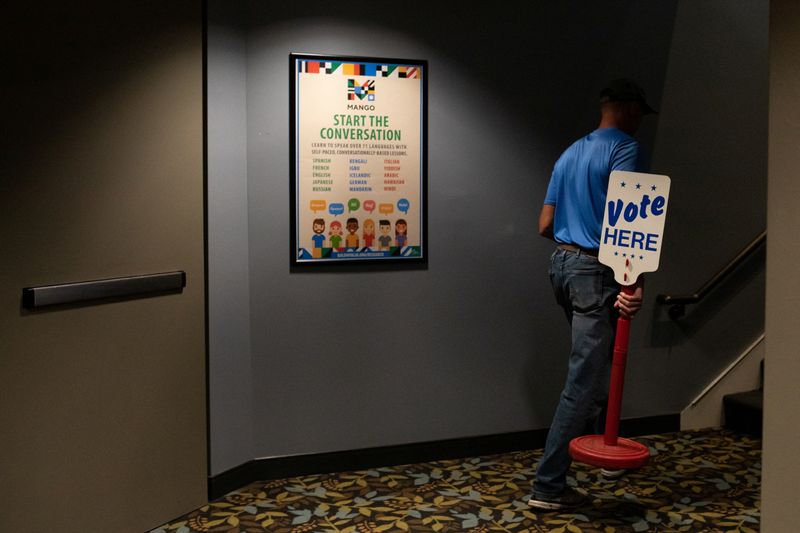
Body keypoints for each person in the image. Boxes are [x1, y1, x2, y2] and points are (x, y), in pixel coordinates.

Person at [528, 79, 657, 511]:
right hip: (594, 268)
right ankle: (548, 485)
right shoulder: (624, 149)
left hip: (562, 267)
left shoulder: (569, 153)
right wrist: (632, 282)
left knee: (597, 365)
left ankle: (604, 452)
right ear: (628, 107)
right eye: (640, 111)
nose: (640, 121)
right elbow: (630, 221)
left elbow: (545, 224)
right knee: (583, 379)